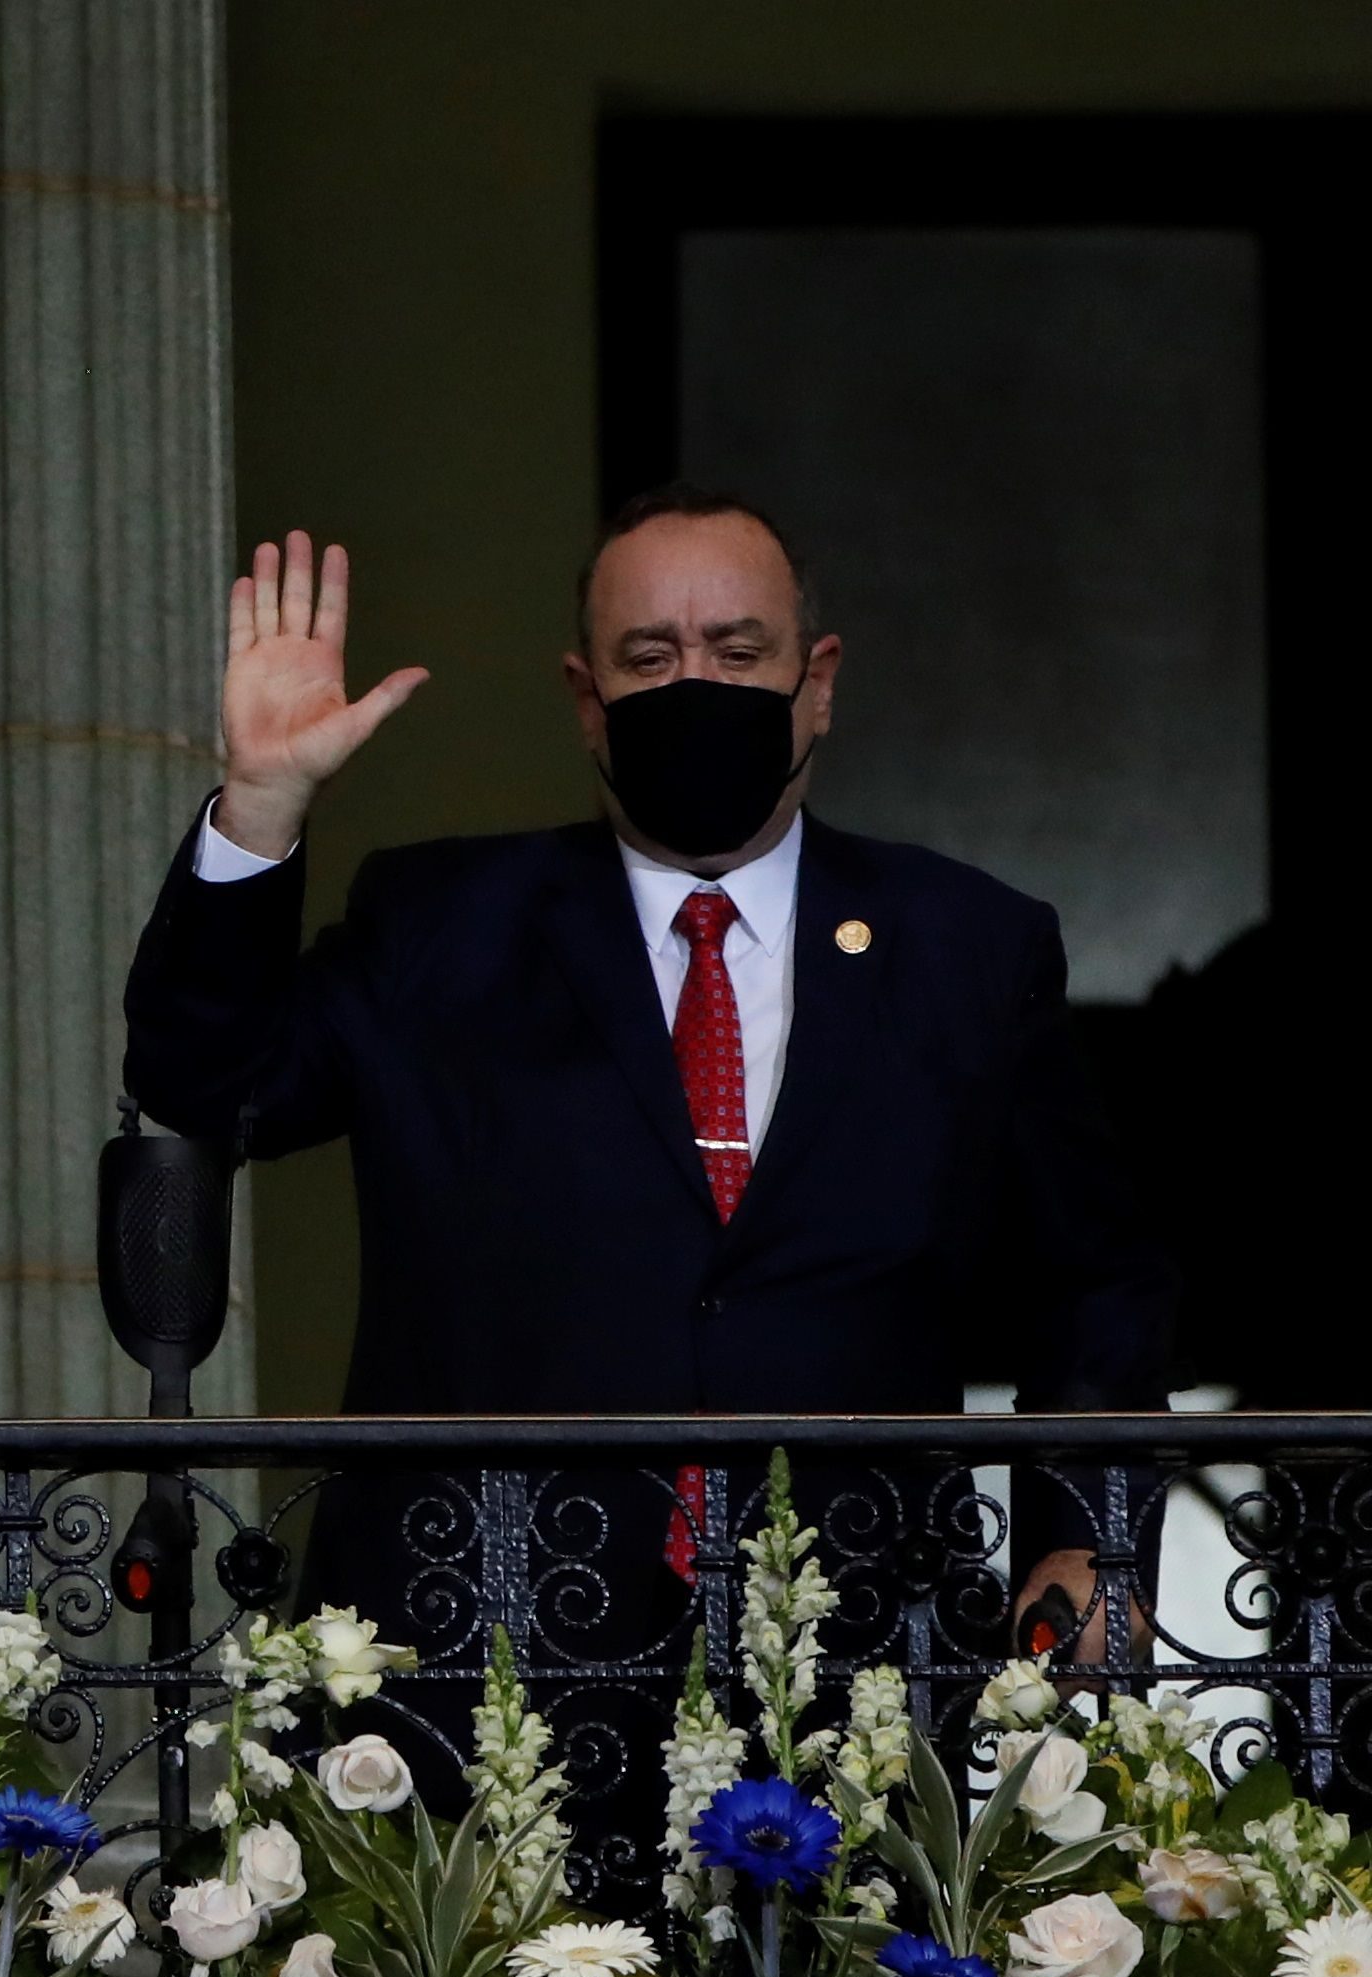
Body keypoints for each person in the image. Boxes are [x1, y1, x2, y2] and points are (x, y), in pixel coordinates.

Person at [122, 490, 1176, 1881]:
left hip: (852, 1669)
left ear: (819, 681)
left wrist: (1088, 1545)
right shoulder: (440, 926)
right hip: (475, 1670)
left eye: (738, 653)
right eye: (651, 657)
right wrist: (262, 806)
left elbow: (1087, 1275)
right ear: (586, 695)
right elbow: (213, 1087)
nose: (698, 684)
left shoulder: (968, 945)